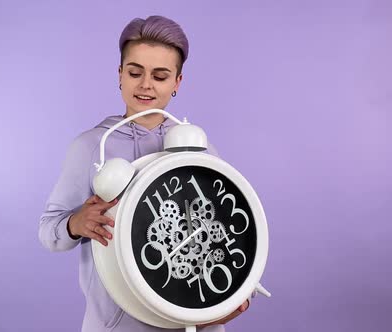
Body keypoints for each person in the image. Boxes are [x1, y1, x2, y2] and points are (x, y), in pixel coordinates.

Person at [39, 15, 251, 331]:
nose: (146, 84)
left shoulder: (200, 148)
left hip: (190, 323)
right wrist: (75, 223)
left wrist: (234, 292)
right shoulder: (90, 147)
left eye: (160, 76)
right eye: (135, 72)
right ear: (120, 75)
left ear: (178, 82)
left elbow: (227, 233)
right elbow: (48, 231)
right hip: (116, 325)